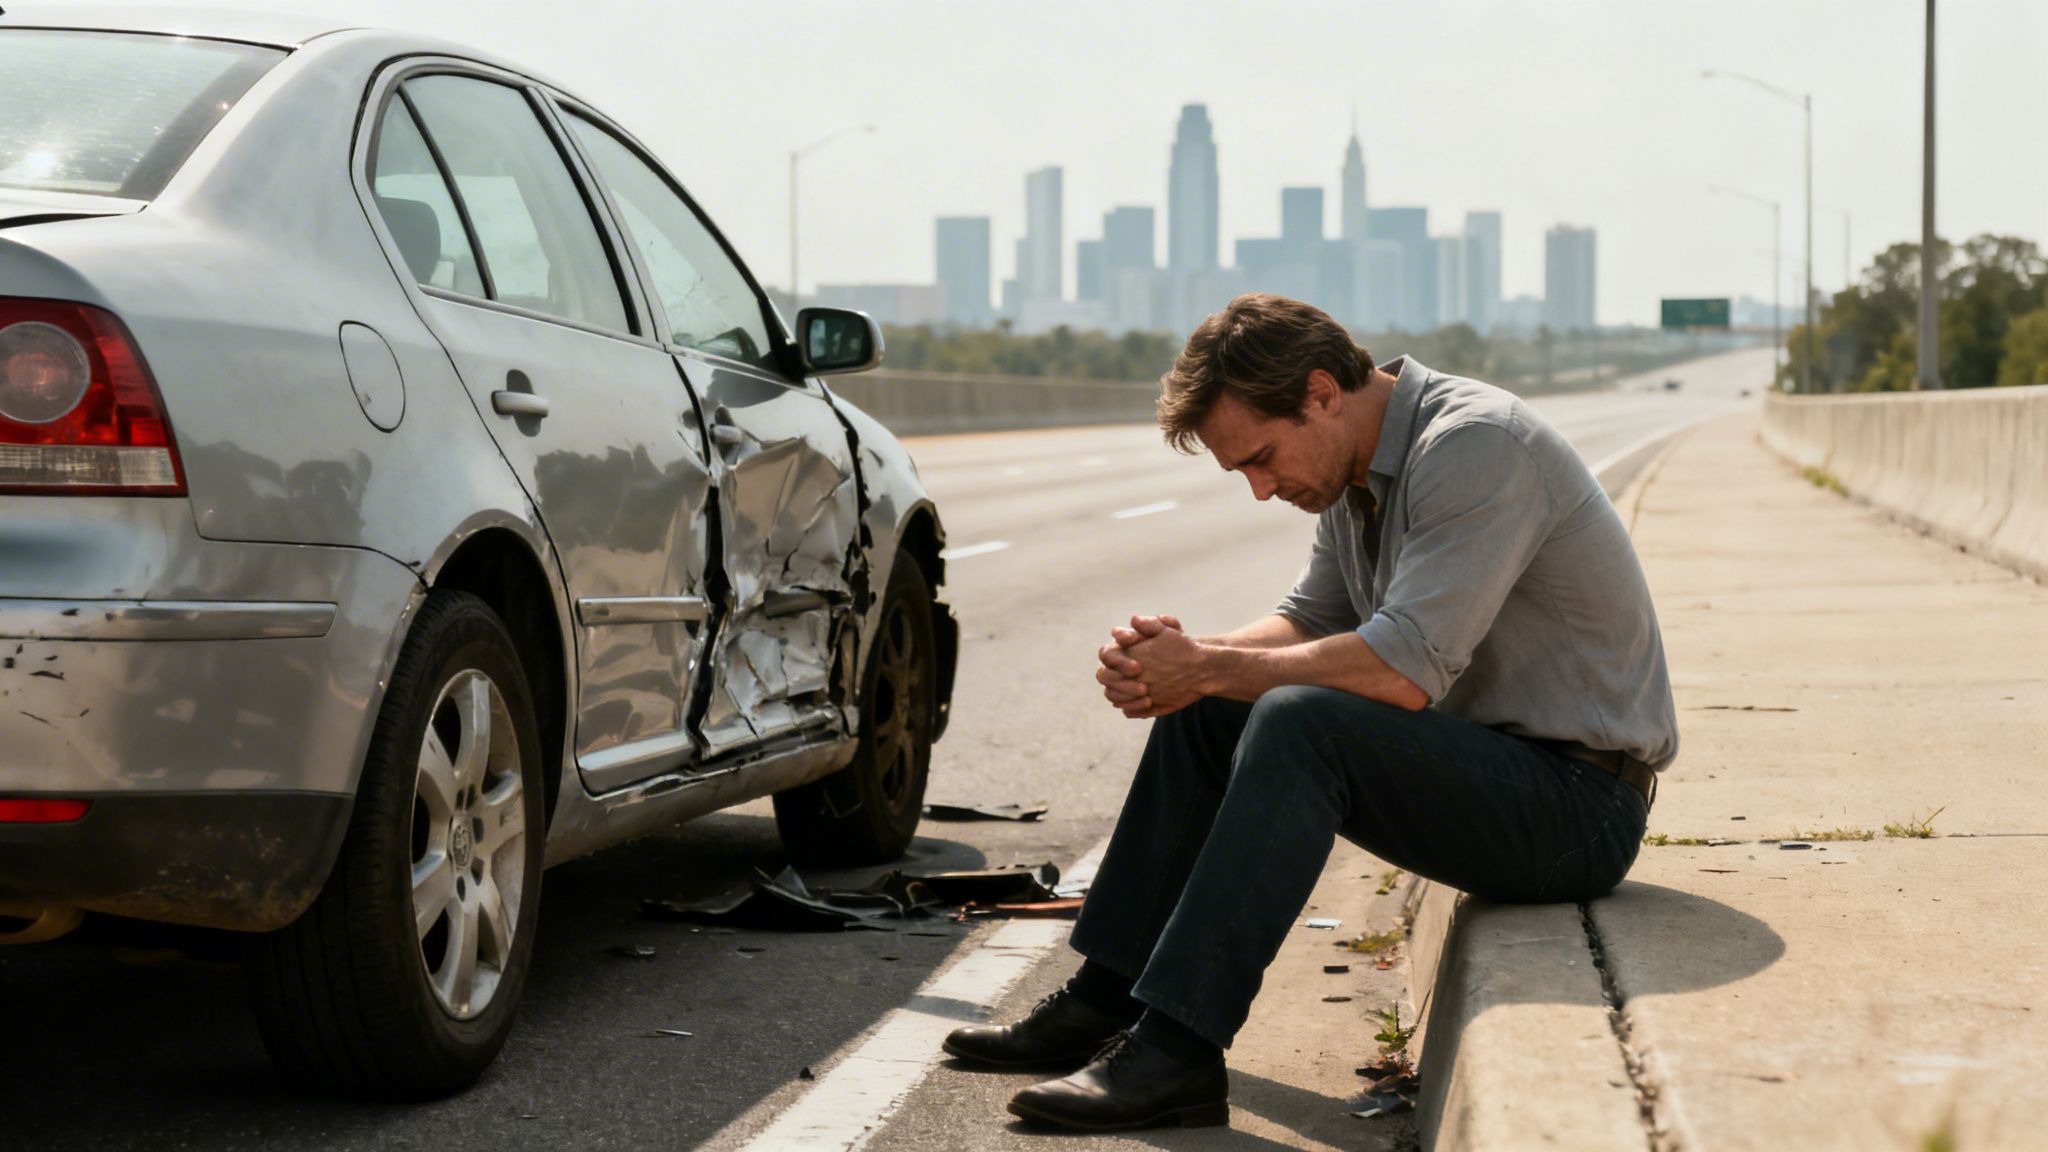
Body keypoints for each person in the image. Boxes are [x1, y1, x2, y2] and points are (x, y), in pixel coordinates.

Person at [941, 293, 1679, 1131]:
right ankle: (1103, 997)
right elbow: (1309, 622)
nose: (1260, 490)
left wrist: (1212, 666)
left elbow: (1403, 669)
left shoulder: (1474, 445)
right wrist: (1184, 667)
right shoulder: (1353, 471)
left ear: (1322, 392)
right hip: (1488, 776)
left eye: (1261, 457)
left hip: (1577, 809)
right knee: (1215, 704)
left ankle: (1179, 1051)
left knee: (1297, 720)